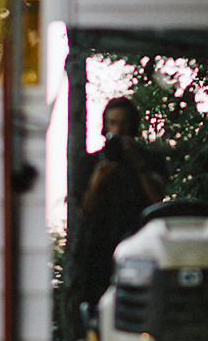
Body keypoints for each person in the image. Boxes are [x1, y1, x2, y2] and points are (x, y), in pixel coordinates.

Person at [71, 96, 170, 315]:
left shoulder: (151, 160)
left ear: (134, 126)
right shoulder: (90, 162)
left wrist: (138, 164)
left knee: (138, 311)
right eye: (112, 123)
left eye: (124, 123)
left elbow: (157, 200)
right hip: (99, 253)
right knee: (96, 315)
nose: (118, 129)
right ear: (104, 127)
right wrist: (96, 180)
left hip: (141, 249)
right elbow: (83, 211)